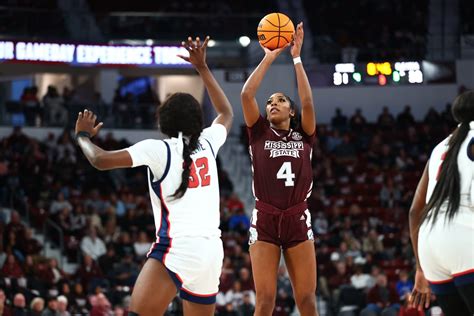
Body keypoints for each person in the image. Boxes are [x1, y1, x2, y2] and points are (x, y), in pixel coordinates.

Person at [75, 35, 233, 316]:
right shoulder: (208, 142)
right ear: (197, 122)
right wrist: (203, 69)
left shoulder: (157, 149)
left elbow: (99, 160)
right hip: (211, 253)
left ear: (162, 121)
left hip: (177, 248)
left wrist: (82, 136)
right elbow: (225, 112)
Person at [240, 22, 318, 316]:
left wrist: (296, 58)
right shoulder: (258, 132)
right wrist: (270, 56)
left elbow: (308, 100)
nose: (273, 104)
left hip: (298, 216)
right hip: (266, 219)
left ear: (292, 111)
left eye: (281, 101)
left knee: (308, 300)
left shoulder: (304, 134)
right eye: (270, 102)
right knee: (265, 301)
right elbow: (247, 96)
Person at [409, 90, 474, 315]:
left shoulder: (440, 148)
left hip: (430, 245)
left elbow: (414, 211)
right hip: (465, 237)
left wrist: (420, 268)